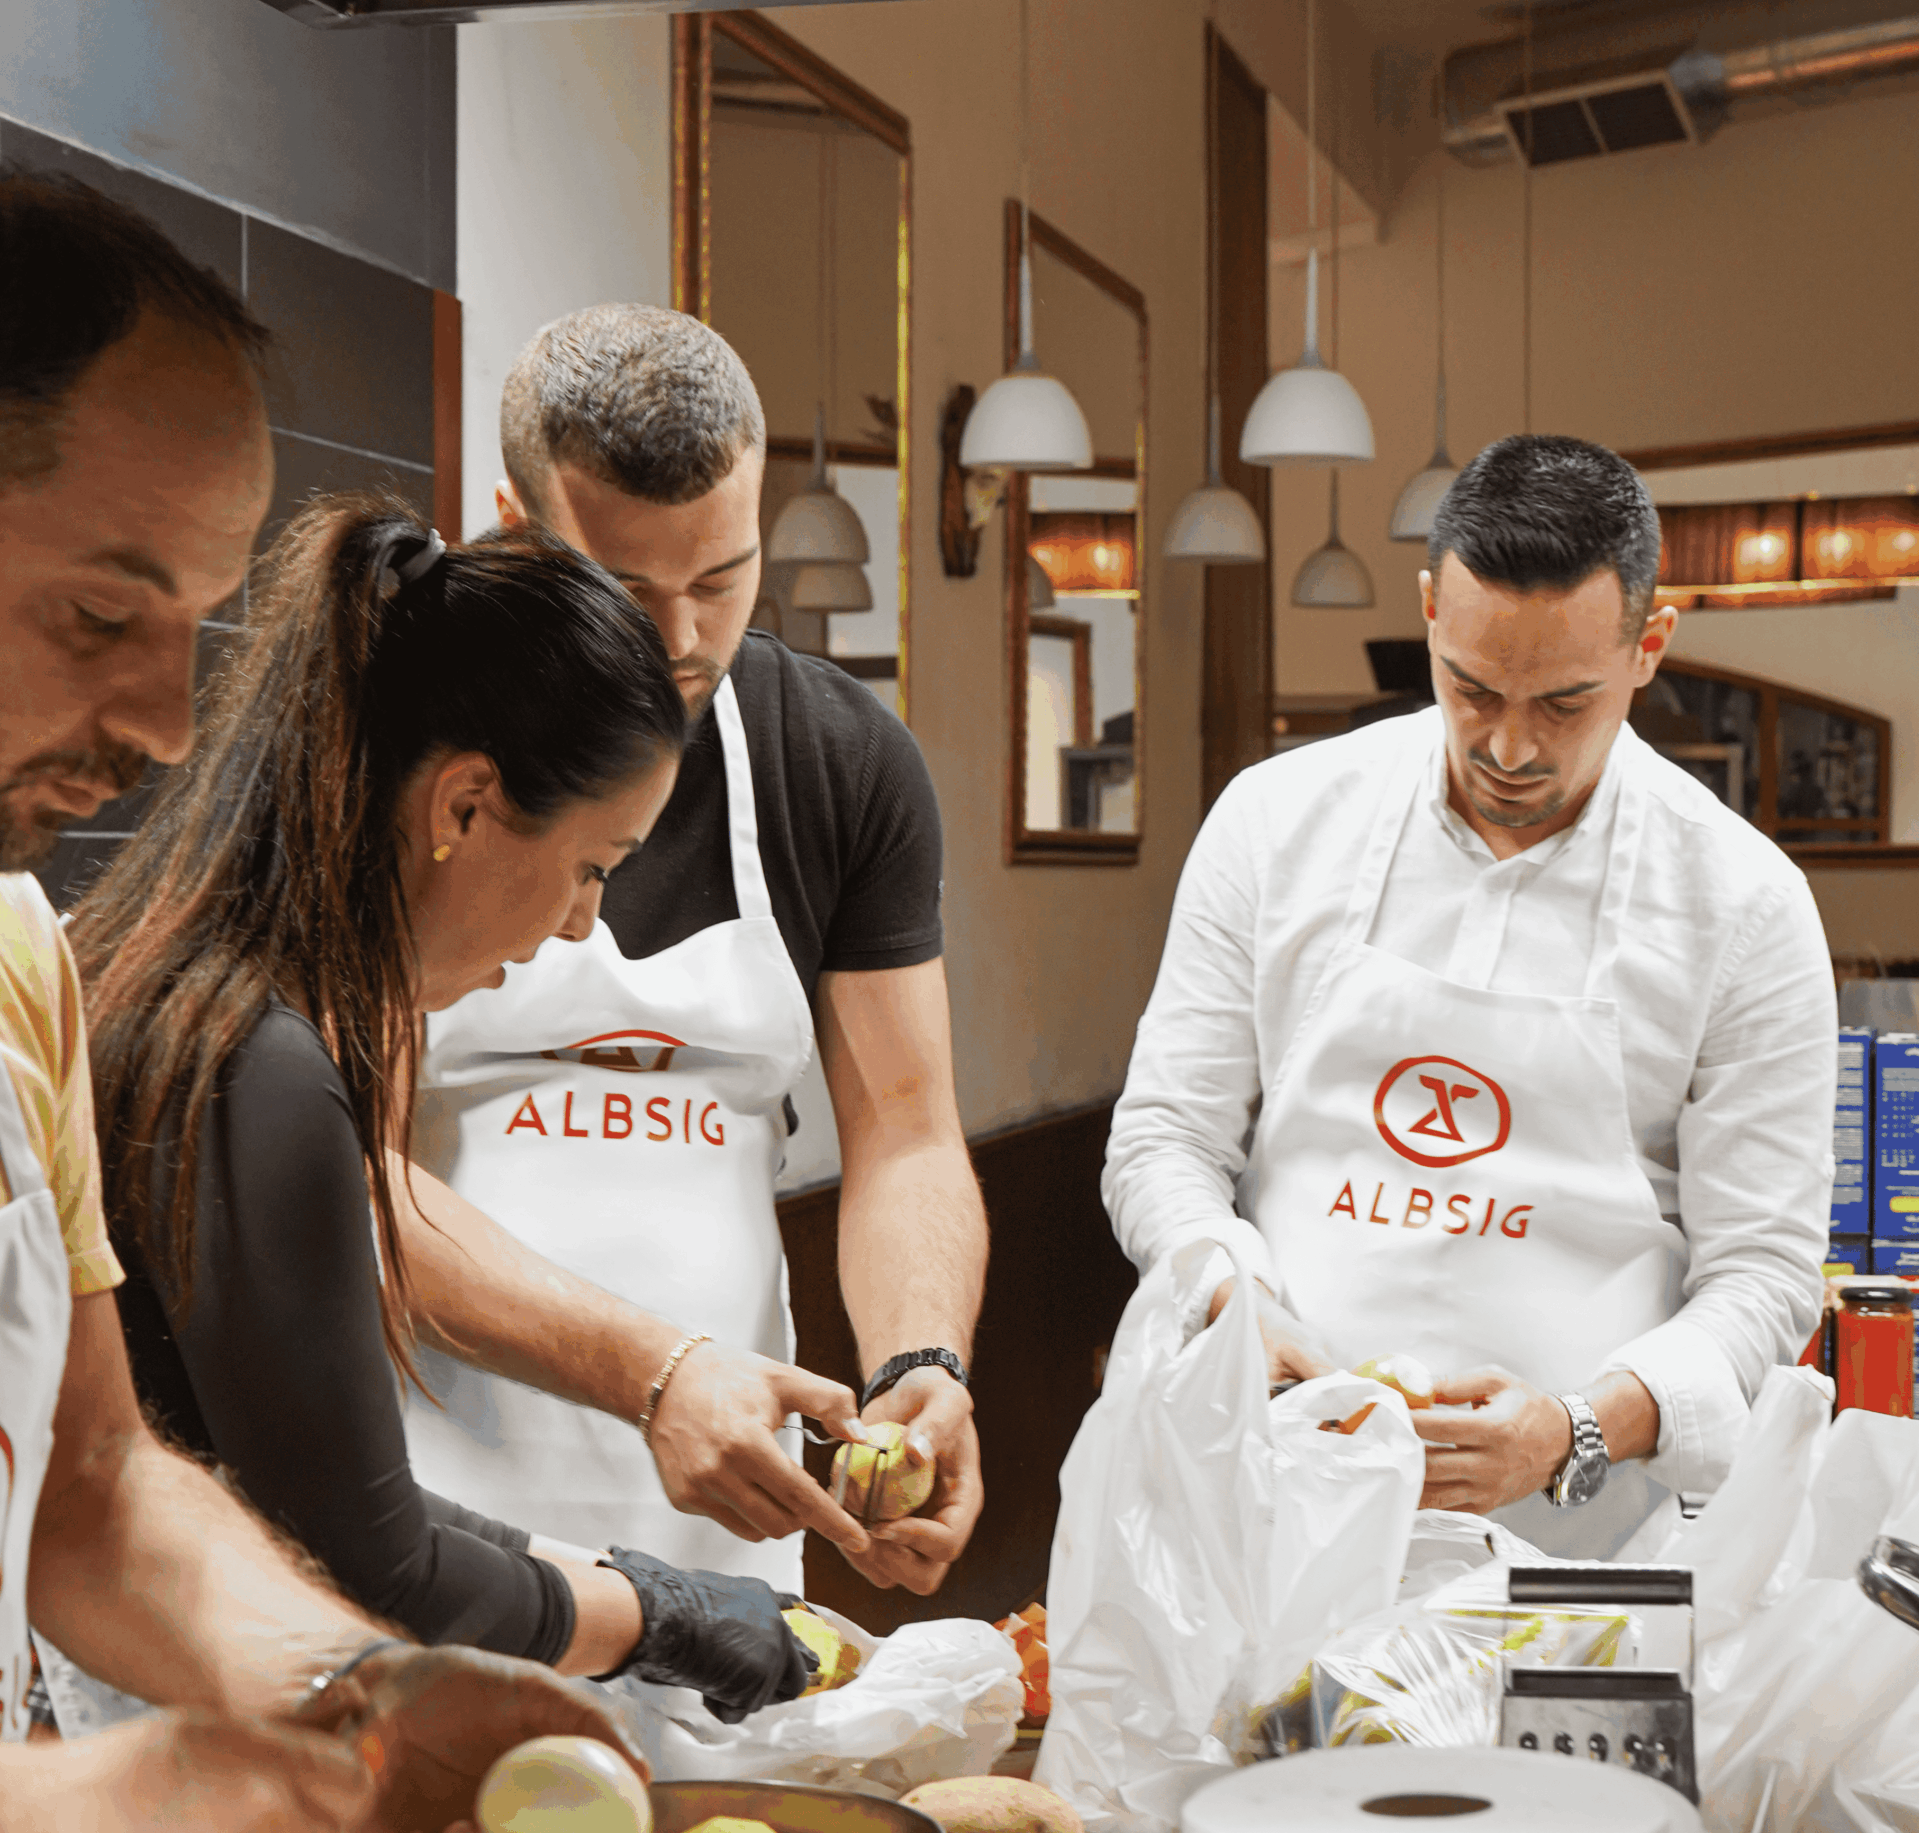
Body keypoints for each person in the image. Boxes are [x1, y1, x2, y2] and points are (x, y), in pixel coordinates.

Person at [0, 170, 645, 1833]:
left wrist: (349, 1690)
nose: (160, 719)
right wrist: (26, 1830)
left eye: (191, 630)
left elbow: (92, 1483)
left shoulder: (21, 967)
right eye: (100, 612)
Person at [70, 496, 835, 1728]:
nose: (580, 925)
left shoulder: (192, 999)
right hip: (155, 1749)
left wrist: (636, 1589)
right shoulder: (262, 1070)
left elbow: (325, 1496)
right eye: (590, 865)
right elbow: (370, 1564)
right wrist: (664, 1617)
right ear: (463, 805)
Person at [1104, 434, 1838, 1556]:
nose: (1509, 745)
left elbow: (1764, 1273)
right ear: (1429, 613)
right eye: (1472, 688)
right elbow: (1165, 1138)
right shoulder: (1273, 821)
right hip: (1268, 1493)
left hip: (1576, 1540)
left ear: (1648, 646)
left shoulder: (1743, 903)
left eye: (1564, 703)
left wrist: (1575, 1429)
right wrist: (1226, 1294)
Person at [396, 304, 987, 1601]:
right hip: (428, 1514)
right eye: (622, 590)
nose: (678, 644)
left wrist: (918, 1364)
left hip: (731, 1519)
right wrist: (651, 1373)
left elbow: (905, 1127)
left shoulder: (835, 758)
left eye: (720, 580)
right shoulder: (391, 743)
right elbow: (345, 1184)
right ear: (514, 524)